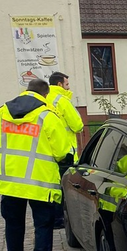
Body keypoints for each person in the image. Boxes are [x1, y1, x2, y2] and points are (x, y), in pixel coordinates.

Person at [0, 79, 71, 251]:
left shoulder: (1, 113)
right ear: (44, 95)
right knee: (43, 227)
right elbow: (62, 152)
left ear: (26, 92)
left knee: (13, 225)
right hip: (40, 184)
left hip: (10, 184)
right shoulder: (47, 116)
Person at [47, 72, 84, 230]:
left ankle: (52, 219)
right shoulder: (62, 100)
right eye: (67, 84)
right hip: (65, 151)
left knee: (51, 186)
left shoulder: (43, 98)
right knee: (65, 186)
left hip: (47, 151)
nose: (69, 87)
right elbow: (77, 125)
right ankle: (61, 219)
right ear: (60, 85)